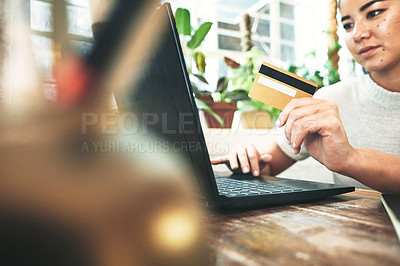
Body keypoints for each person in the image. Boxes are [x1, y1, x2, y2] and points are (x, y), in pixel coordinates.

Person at [211, 0, 400, 195]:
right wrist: (247, 162)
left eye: (374, 13)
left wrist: (351, 158)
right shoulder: (330, 100)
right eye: (348, 25)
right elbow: (267, 167)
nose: (358, 34)